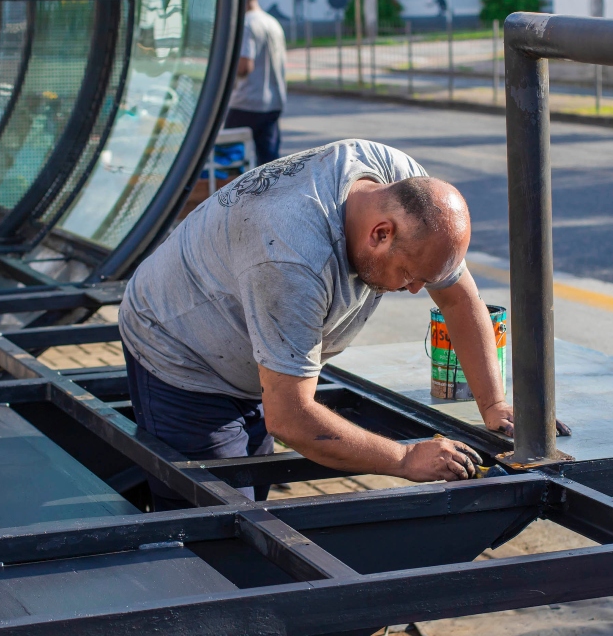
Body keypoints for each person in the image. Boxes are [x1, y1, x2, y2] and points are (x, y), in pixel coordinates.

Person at [120, 139, 567, 510]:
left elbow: (455, 294)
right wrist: (404, 457)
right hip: (180, 348)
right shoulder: (292, 257)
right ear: (380, 233)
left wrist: (494, 404)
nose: (415, 290)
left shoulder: (401, 185)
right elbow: (291, 417)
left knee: (250, 488)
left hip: (242, 335)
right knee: (214, 520)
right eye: (410, 275)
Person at [224, 0, 286, 165]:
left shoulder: (246, 24)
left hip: (247, 101)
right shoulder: (272, 22)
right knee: (269, 162)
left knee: (228, 157)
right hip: (273, 102)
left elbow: (244, 65)